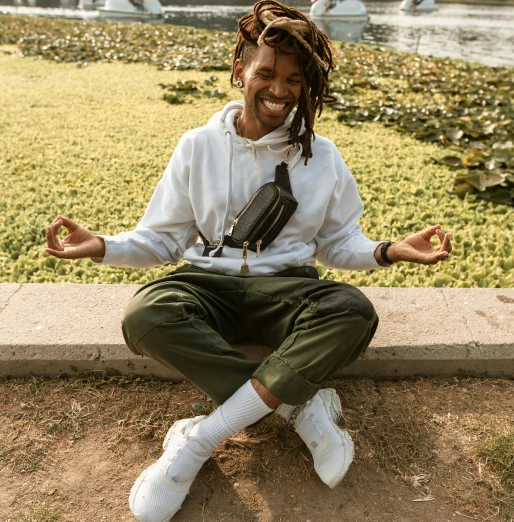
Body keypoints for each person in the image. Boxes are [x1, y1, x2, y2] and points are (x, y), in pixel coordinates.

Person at [45, 1, 452, 520]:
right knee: (145, 315)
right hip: (205, 284)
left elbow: (336, 243)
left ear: (307, 86)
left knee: (352, 311)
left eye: (294, 79)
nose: (279, 89)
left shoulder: (321, 158)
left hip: (288, 289)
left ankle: (197, 440)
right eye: (266, 73)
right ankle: (300, 406)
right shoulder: (196, 147)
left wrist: (387, 251)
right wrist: (102, 245)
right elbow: (165, 240)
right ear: (240, 70)